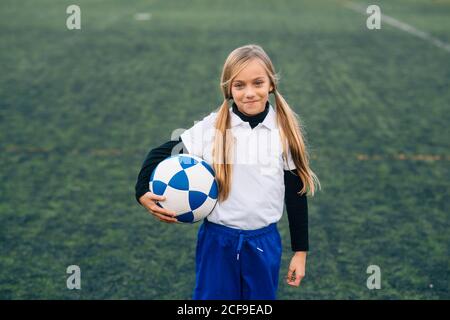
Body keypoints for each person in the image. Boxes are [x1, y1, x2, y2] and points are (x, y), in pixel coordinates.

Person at [135, 44, 321, 300]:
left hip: (264, 241)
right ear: (229, 89)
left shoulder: (284, 131)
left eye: (257, 83)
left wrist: (300, 252)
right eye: (239, 85)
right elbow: (160, 152)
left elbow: (295, 194)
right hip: (218, 241)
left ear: (271, 84)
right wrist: (142, 191)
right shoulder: (213, 127)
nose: (249, 93)